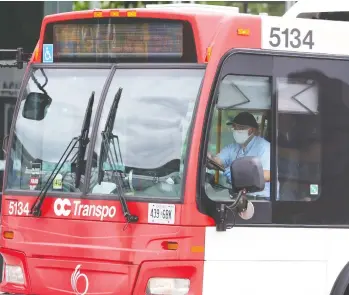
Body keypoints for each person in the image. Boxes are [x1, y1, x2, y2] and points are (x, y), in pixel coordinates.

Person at [208, 111, 271, 198]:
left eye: (240, 128)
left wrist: (238, 175)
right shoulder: (233, 147)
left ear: (251, 130)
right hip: (239, 197)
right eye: (234, 127)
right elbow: (218, 161)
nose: (236, 131)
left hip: (261, 199)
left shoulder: (264, 147)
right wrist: (210, 158)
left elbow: (268, 175)